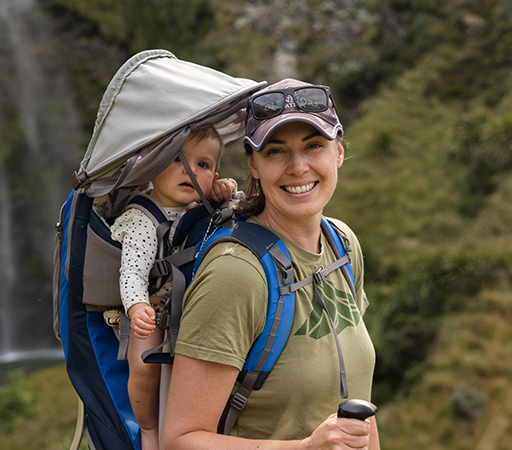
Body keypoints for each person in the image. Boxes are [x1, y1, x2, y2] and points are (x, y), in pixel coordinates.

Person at [162, 79, 379, 449]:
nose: (298, 167)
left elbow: (357, 411)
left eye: (314, 146)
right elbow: (180, 440)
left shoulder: (342, 244)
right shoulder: (236, 273)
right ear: (253, 165)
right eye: (276, 151)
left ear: (338, 153)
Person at [110, 126, 238, 450]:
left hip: (190, 305)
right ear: (152, 167)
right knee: (143, 366)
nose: (190, 171)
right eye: (177, 160)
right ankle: (149, 428)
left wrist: (220, 190)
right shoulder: (142, 218)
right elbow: (132, 273)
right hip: (151, 307)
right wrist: (137, 307)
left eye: (204, 166)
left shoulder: (200, 206)